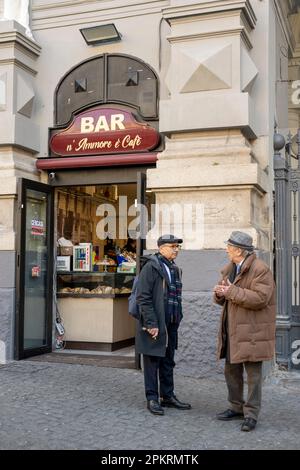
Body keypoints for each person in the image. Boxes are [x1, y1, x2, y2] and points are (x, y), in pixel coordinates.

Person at [213, 231, 276, 432]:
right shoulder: (231, 268)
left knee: (253, 375)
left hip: (253, 331)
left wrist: (230, 291)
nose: (226, 250)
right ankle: (235, 407)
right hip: (232, 330)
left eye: (229, 247)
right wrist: (219, 294)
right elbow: (226, 296)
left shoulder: (260, 269)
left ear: (239, 250)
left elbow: (260, 298)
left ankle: (251, 414)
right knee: (231, 371)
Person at [136, 234, 191, 415]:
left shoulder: (174, 268)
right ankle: (152, 398)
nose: (176, 250)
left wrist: (178, 317)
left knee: (168, 360)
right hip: (155, 322)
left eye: (177, 247)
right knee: (152, 361)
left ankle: (167, 396)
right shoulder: (151, 267)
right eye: (172, 246)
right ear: (161, 248)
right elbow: (143, 297)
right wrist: (151, 323)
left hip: (170, 322)